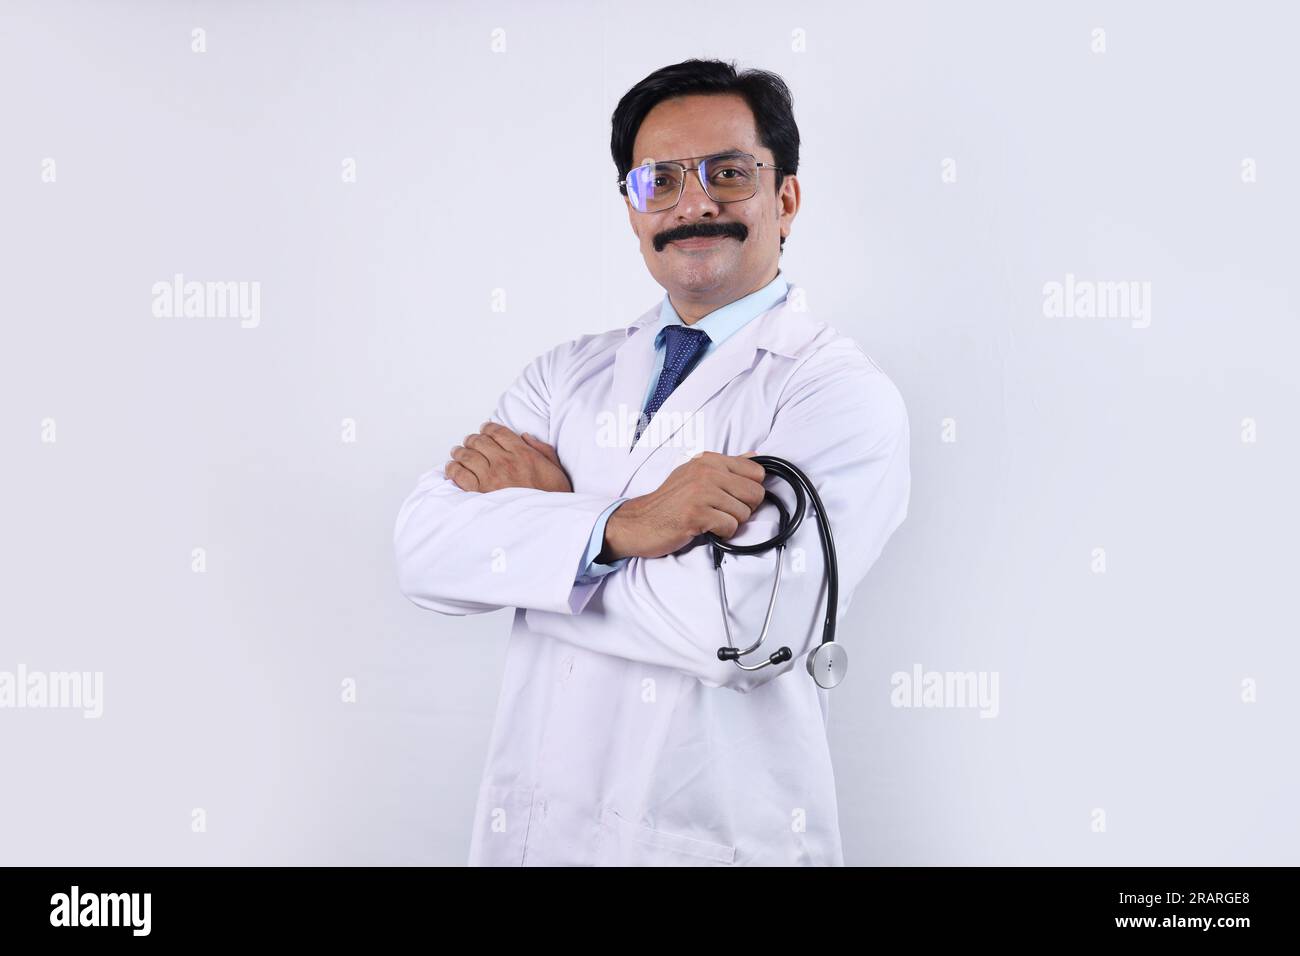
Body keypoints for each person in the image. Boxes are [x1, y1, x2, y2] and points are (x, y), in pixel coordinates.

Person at [393, 58, 910, 866]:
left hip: (710, 842)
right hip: (537, 834)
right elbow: (423, 554)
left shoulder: (838, 395)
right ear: (633, 211)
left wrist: (541, 555)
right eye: (658, 181)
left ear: (786, 199)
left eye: (728, 174)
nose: (693, 202)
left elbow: (737, 631)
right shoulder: (565, 374)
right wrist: (624, 527)